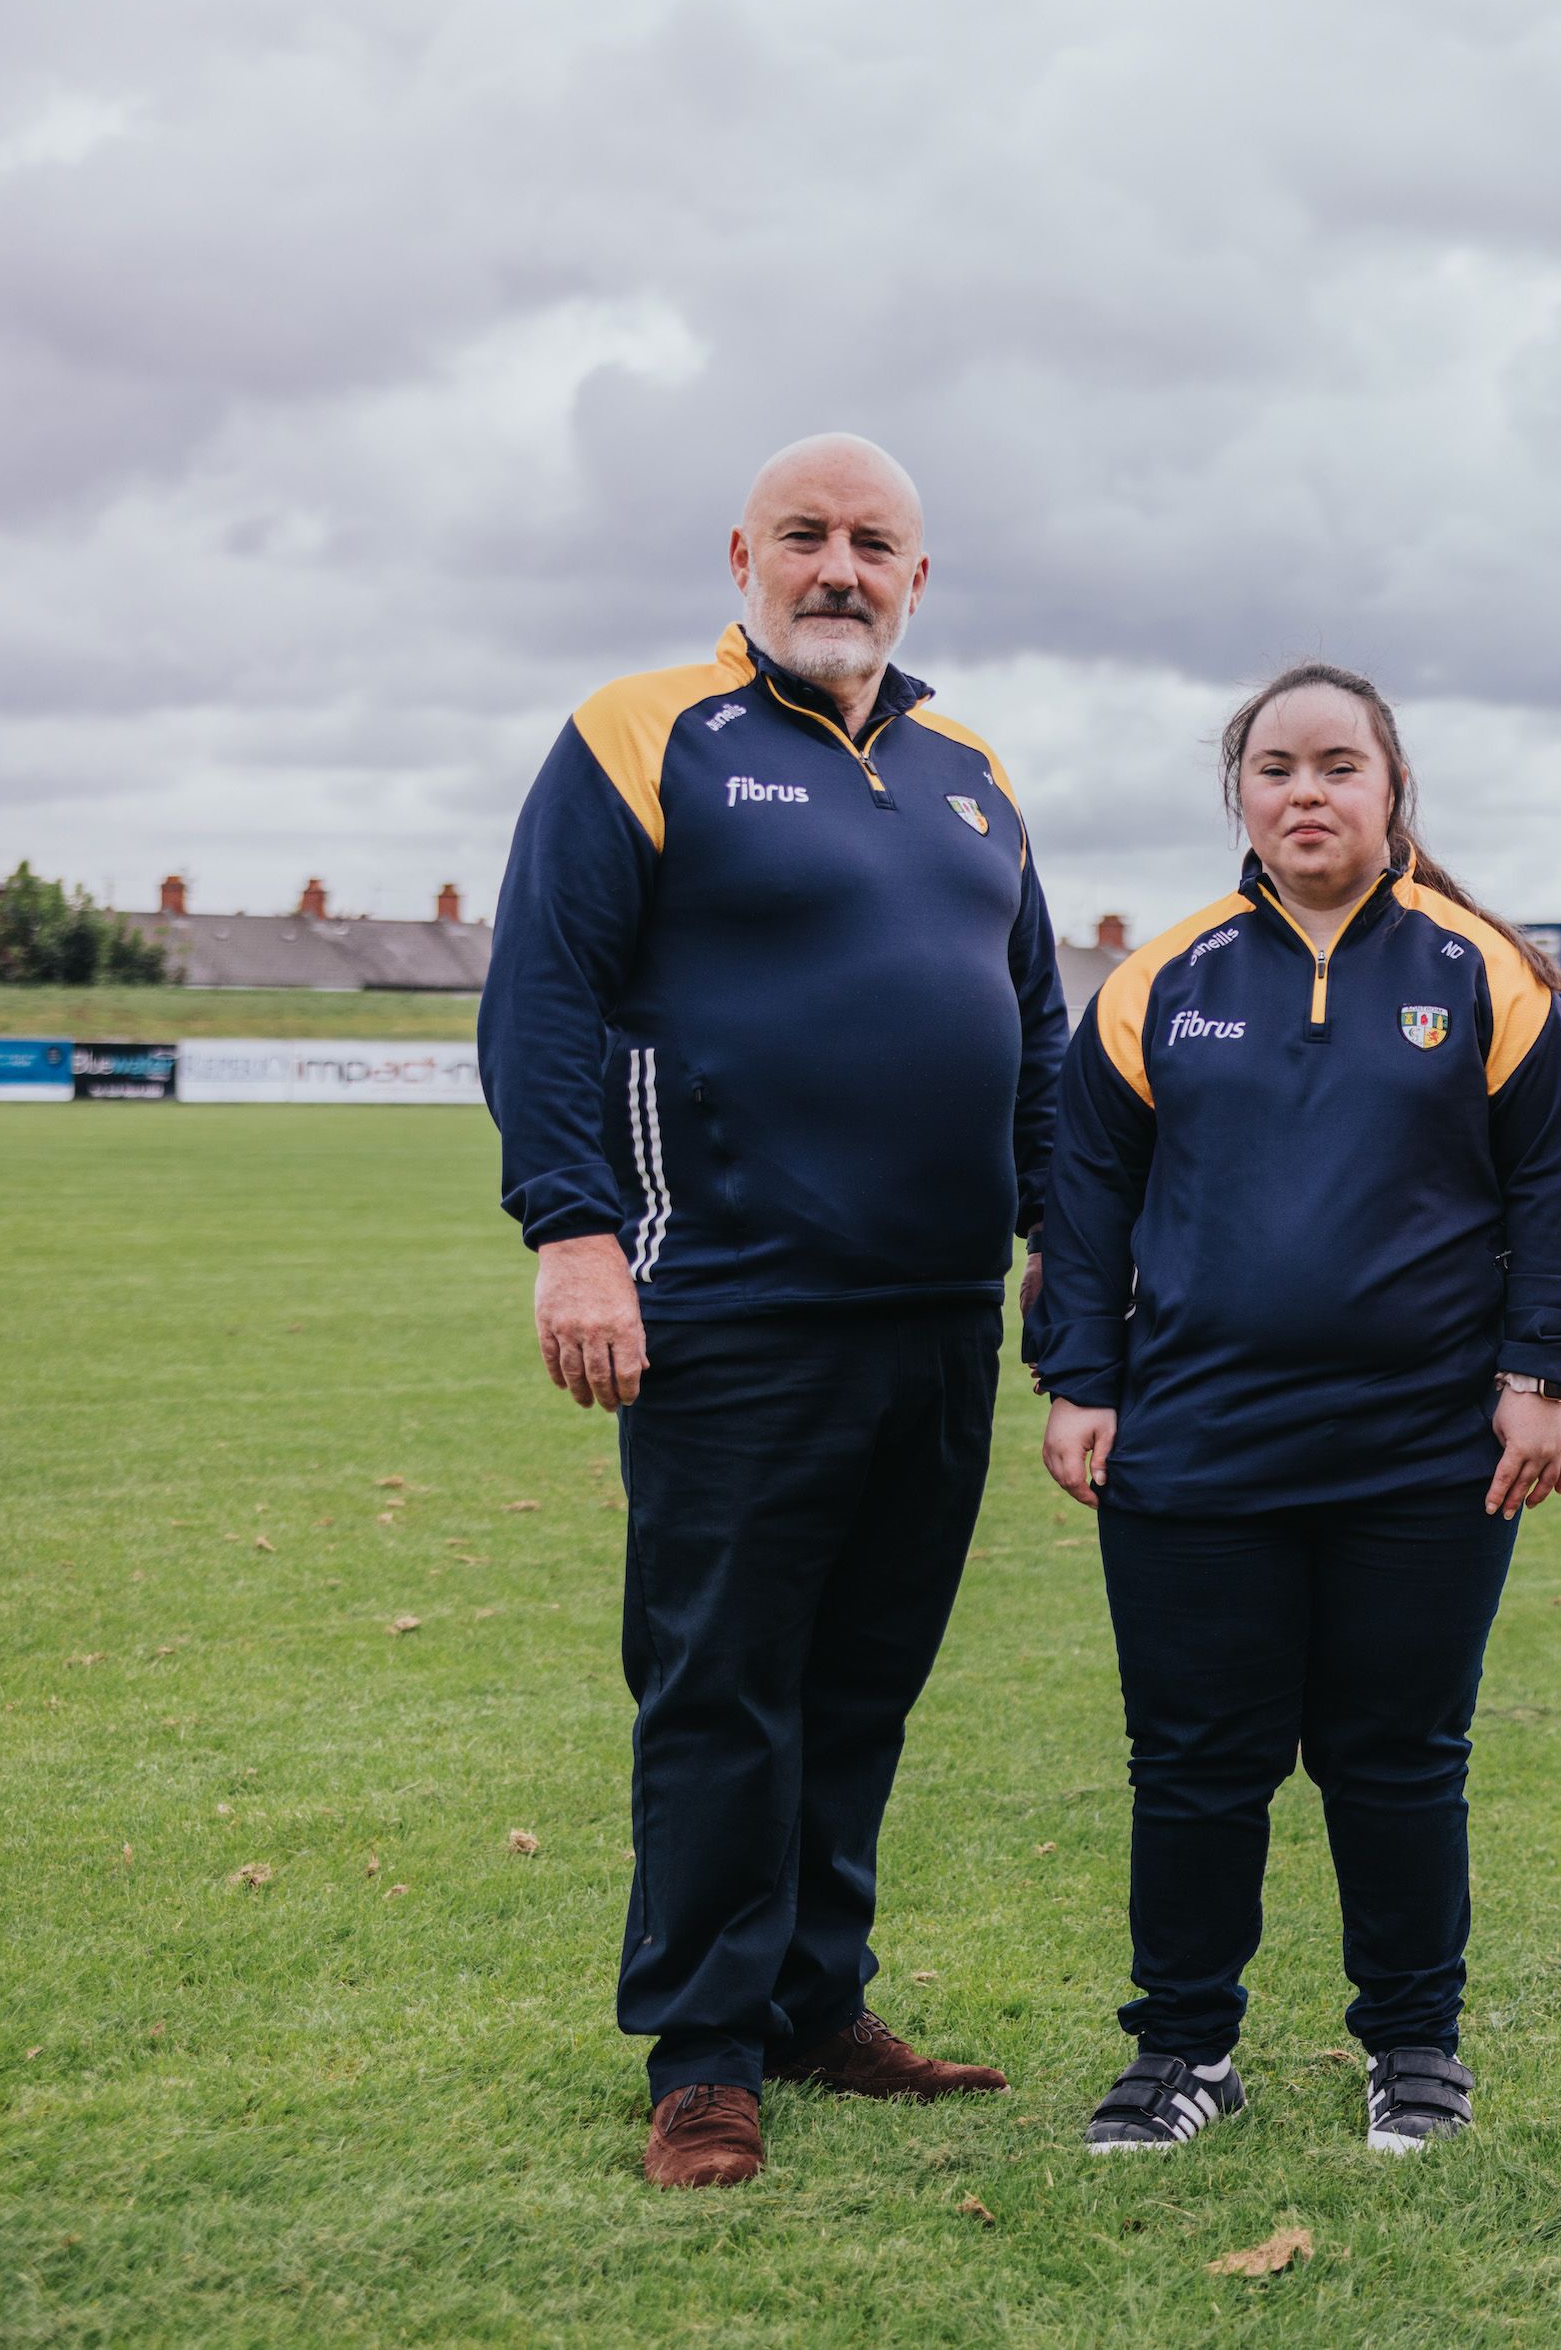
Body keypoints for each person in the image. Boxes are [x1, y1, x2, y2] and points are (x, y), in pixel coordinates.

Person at [478, 434, 1064, 2190]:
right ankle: (704, 2052)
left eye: (873, 542)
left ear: (918, 578)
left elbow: (1032, 1025)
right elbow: (546, 993)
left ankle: (817, 2002)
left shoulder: (973, 770)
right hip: (730, 1306)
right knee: (724, 1681)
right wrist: (573, 1233)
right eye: (804, 535)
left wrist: (1060, 1235)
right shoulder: (640, 733)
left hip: (941, 1310)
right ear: (740, 554)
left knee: (865, 1678)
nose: (838, 566)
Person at [1026, 663, 1561, 2156]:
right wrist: (1079, 1379)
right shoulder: (1156, 985)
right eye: (1276, 765)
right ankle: (1183, 2053)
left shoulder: (1485, 975)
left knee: (1400, 1756)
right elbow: (1082, 1200)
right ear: (1241, 792)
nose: (1307, 790)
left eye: (1338, 764)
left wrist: (1538, 1378)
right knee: (1194, 1762)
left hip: (1422, 1454)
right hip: (1196, 1446)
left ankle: (1414, 2046)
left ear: (1391, 788)